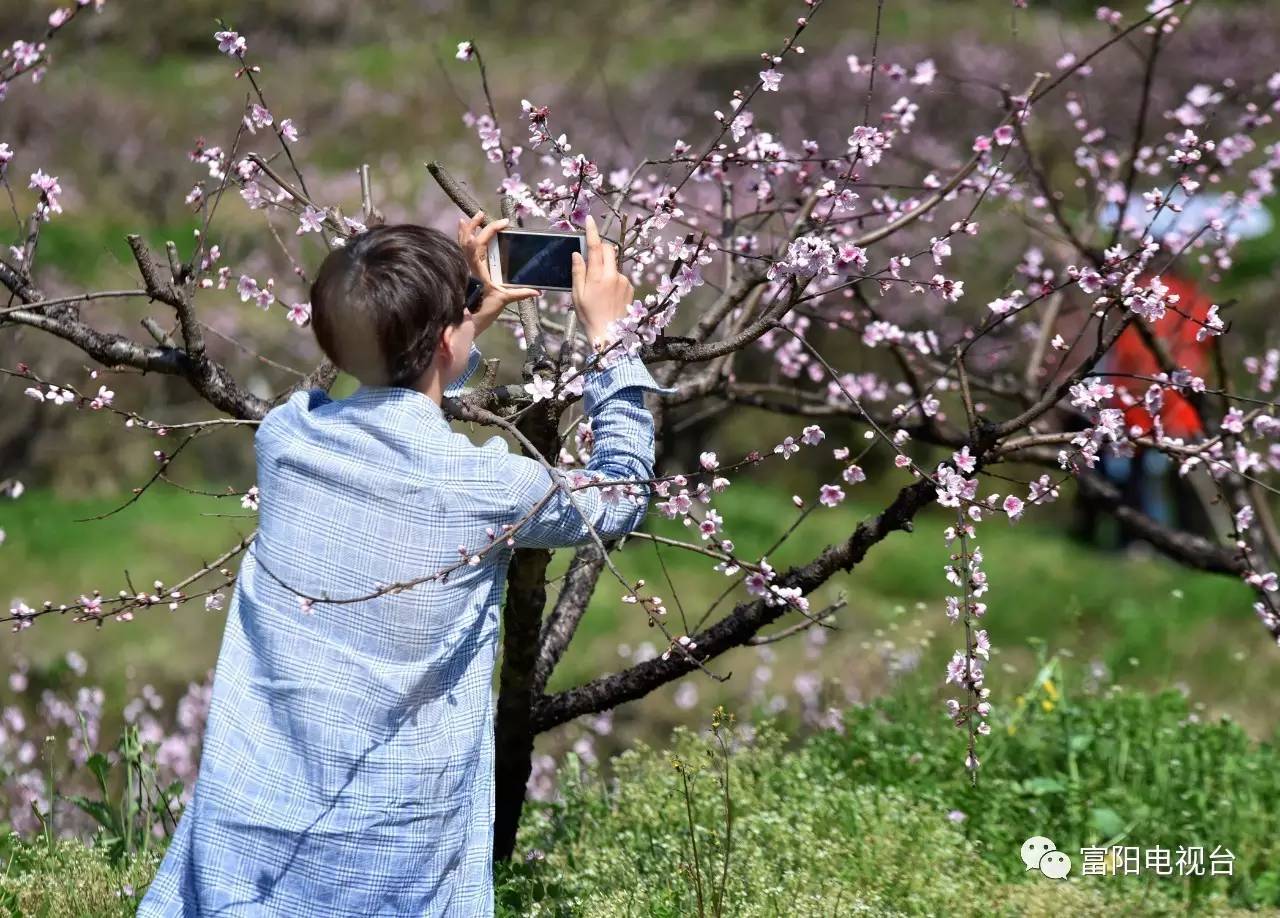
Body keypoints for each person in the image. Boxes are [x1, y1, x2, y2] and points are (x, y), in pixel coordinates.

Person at [138, 213, 667, 916]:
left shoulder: (286, 436)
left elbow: (389, 383)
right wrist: (610, 338)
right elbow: (622, 495)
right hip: (397, 861)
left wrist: (457, 321)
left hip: (252, 841)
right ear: (447, 339)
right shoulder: (486, 487)